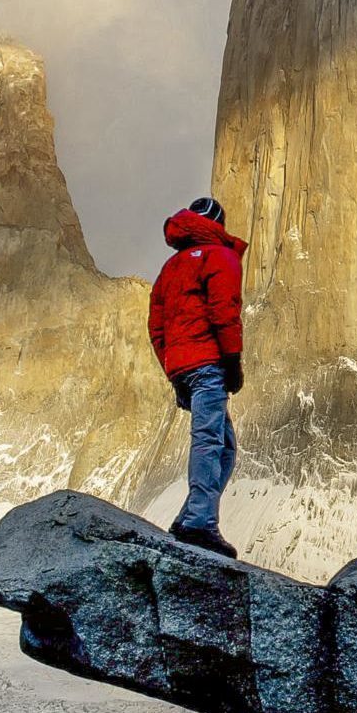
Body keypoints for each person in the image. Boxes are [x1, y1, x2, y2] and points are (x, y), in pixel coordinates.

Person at [146, 195, 247, 558]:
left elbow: (156, 326)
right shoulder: (221, 257)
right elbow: (225, 310)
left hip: (183, 367)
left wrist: (173, 370)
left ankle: (191, 515)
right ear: (217, 225)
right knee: (209, 440)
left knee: (224, 444)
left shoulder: (170, 268)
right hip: (208, 364)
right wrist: (232, 360)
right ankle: (200, 522)